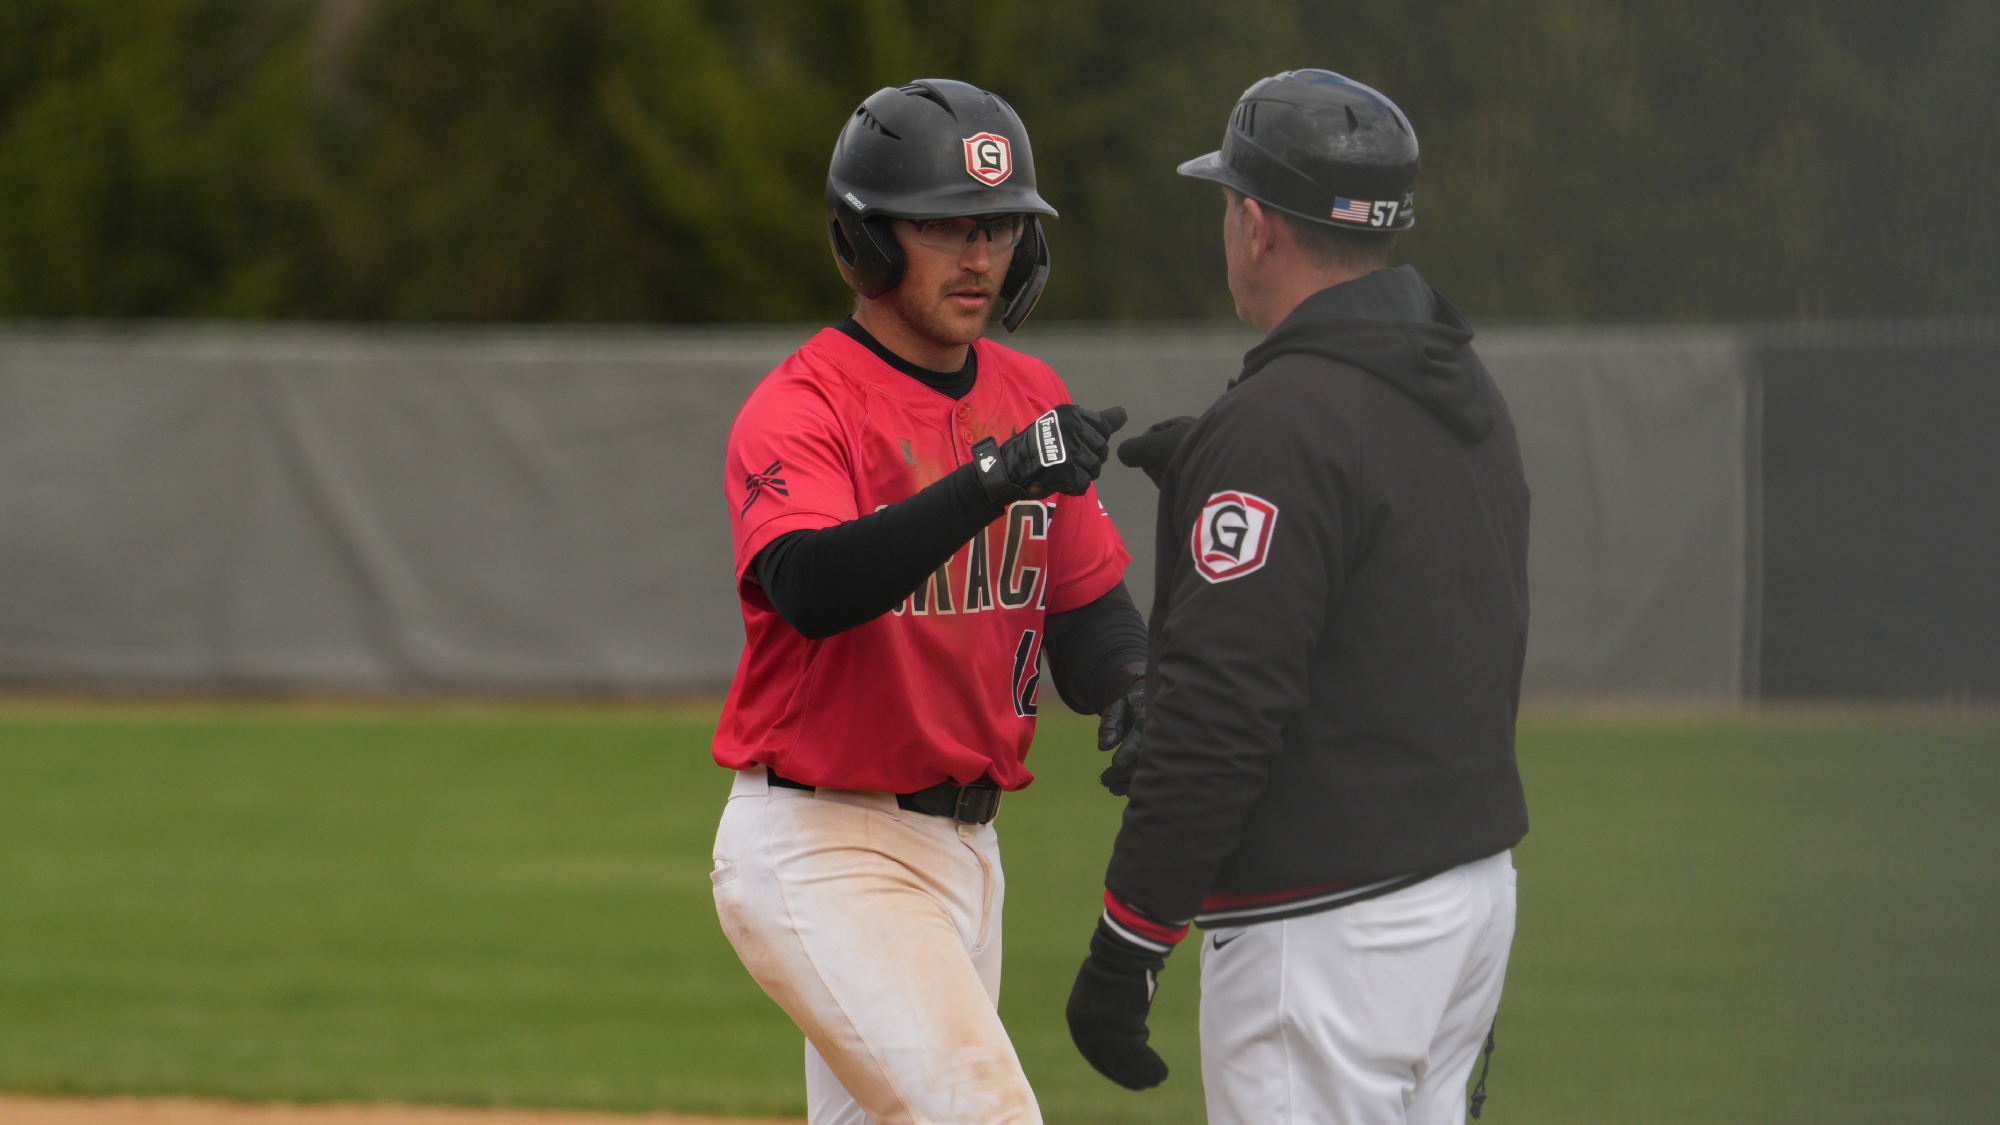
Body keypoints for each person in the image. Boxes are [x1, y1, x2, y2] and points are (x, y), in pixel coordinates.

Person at [1065, 69, 1532, 1125]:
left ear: (1256, 223)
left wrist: (1129, 941)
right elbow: (1399, 587)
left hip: (1327, 931)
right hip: (1464, 890)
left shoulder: (1282, 425)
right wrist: (1224, 468)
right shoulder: (1456, 388)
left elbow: (1220, 710)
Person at [709, 78, 1148, 1125]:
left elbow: (1086, 610)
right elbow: (814, 586)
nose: (979, 254)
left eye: (999, 226)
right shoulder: (804, 404)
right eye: (944, 226)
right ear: (864, 241)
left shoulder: (1028, 394)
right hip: (825, 844)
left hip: (968, 853)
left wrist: (1133, 682)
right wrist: (995, 478)